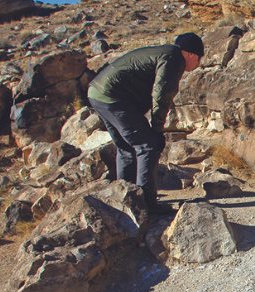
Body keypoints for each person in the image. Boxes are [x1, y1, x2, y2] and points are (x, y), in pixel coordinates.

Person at [87, 33, 204, 214]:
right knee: (148, 145)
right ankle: (147, 205)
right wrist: (157, 130)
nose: (198, 65)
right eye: (198, 58)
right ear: (190, 53)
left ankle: (125, 199)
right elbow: (161, 95)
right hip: (113, 96)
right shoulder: (174, 58)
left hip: (98, 93)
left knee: (126, 148)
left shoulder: (164, 52)